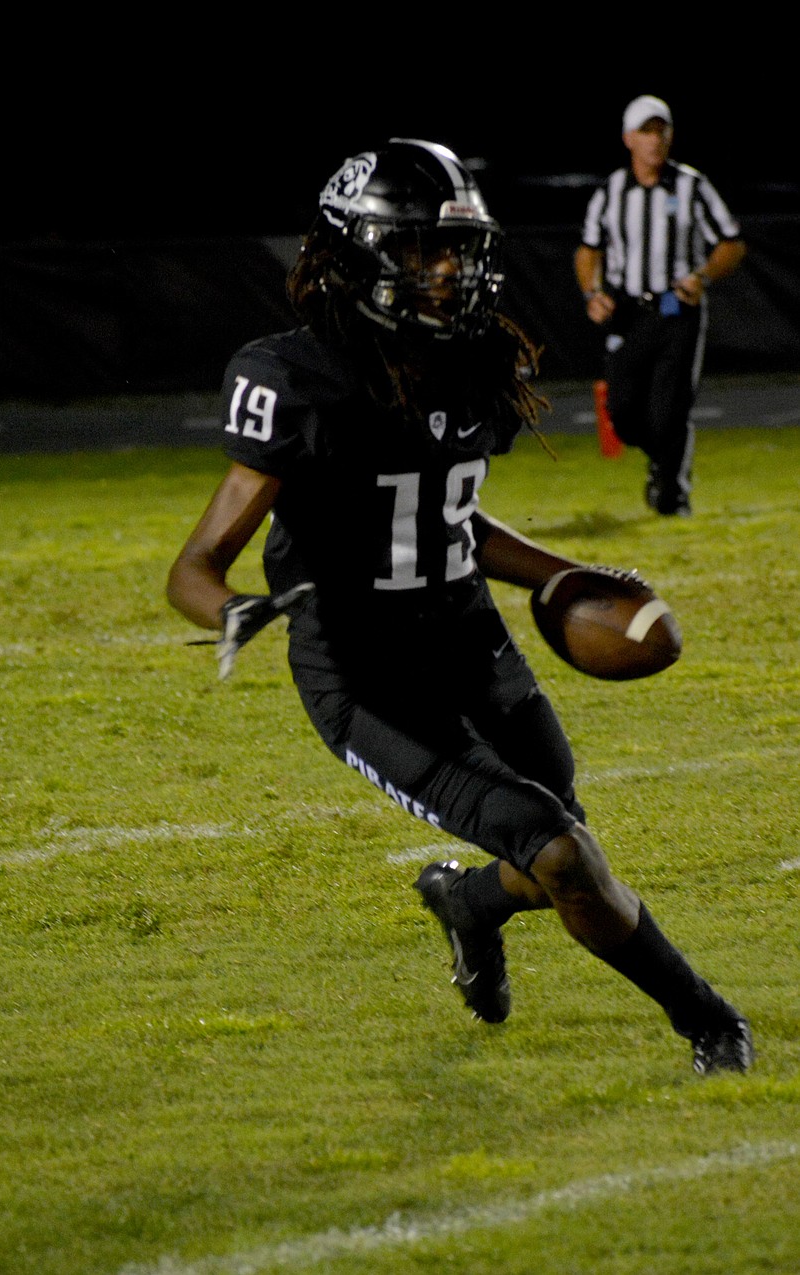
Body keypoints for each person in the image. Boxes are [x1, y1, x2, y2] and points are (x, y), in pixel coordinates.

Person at [166, 137, 753, 1075]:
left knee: (558, 850)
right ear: (355, 252)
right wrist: (232, 608)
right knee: (560, 854)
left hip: (472, 646)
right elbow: (195, 563)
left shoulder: (472, 355)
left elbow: (448, 514)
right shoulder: (296, 376)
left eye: (458, 248)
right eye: (421, 249)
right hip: (365, 677)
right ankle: (711, 1022)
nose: (448, 270)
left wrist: (561, 573)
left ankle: (468, 902)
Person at [574, 95, 747, 516]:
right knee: (621, 410)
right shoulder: (611, 191)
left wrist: (702, 277)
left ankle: (672, 494)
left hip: (675, 306)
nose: (654, 140)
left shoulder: (692, 185)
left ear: (670, 136)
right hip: (628, 310)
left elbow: (731, 242)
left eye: (661, 130)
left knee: (669, 410)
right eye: (646, 131)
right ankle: (663, 460)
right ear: (628, 138)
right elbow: (588, 249)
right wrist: (592, 293)